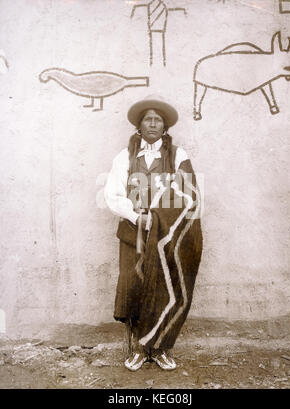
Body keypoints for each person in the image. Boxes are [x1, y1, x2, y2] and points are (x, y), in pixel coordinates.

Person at [104, 95, 203, 371]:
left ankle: (161, 349)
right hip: (133, 234)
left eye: (157, 120)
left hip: (167, 238)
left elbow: (187, 193)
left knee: (165, 288)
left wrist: (160, 220)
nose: (152, 123)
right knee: (133, 286)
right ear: (139, 125)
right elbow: (112, 194)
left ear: (165, 127)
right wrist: (139, 217)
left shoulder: (178, 156)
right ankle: (137, 348)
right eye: (147, 119)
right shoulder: (125, 157)